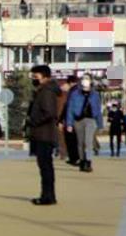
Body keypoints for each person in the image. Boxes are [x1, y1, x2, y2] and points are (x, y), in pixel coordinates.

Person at [27, 65, 60, 205]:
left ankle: (47, 196)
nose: (34, 79)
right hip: (42, 133)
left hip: (44, 134)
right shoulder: (42, 91)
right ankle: (47, 195)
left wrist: (33, 121)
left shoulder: (46, 91)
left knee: (45, 166)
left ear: (45, 77)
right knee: (45, 166)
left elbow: (49, 112)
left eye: (36, 76)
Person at [65, 74, 103, 173]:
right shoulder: (75, 94)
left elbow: (98, 110)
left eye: (87, 79)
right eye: (84, 79)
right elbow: (70, 108)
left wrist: (100, 124)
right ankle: (82, 162)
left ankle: (88, 162)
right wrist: (69, 123)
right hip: (78, 120)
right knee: (80, 143)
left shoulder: (95, 94)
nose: (85, 81)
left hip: (91, 120)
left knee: (88, 142)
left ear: (91, 81)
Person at [60, 76, 80, 165]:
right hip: (82, 119)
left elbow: (68, 107)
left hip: (72, 119)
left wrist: (61, 120)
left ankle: (74, 158)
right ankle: (82, 159)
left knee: (71, 139)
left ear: (71, 83)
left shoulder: (73, 92)